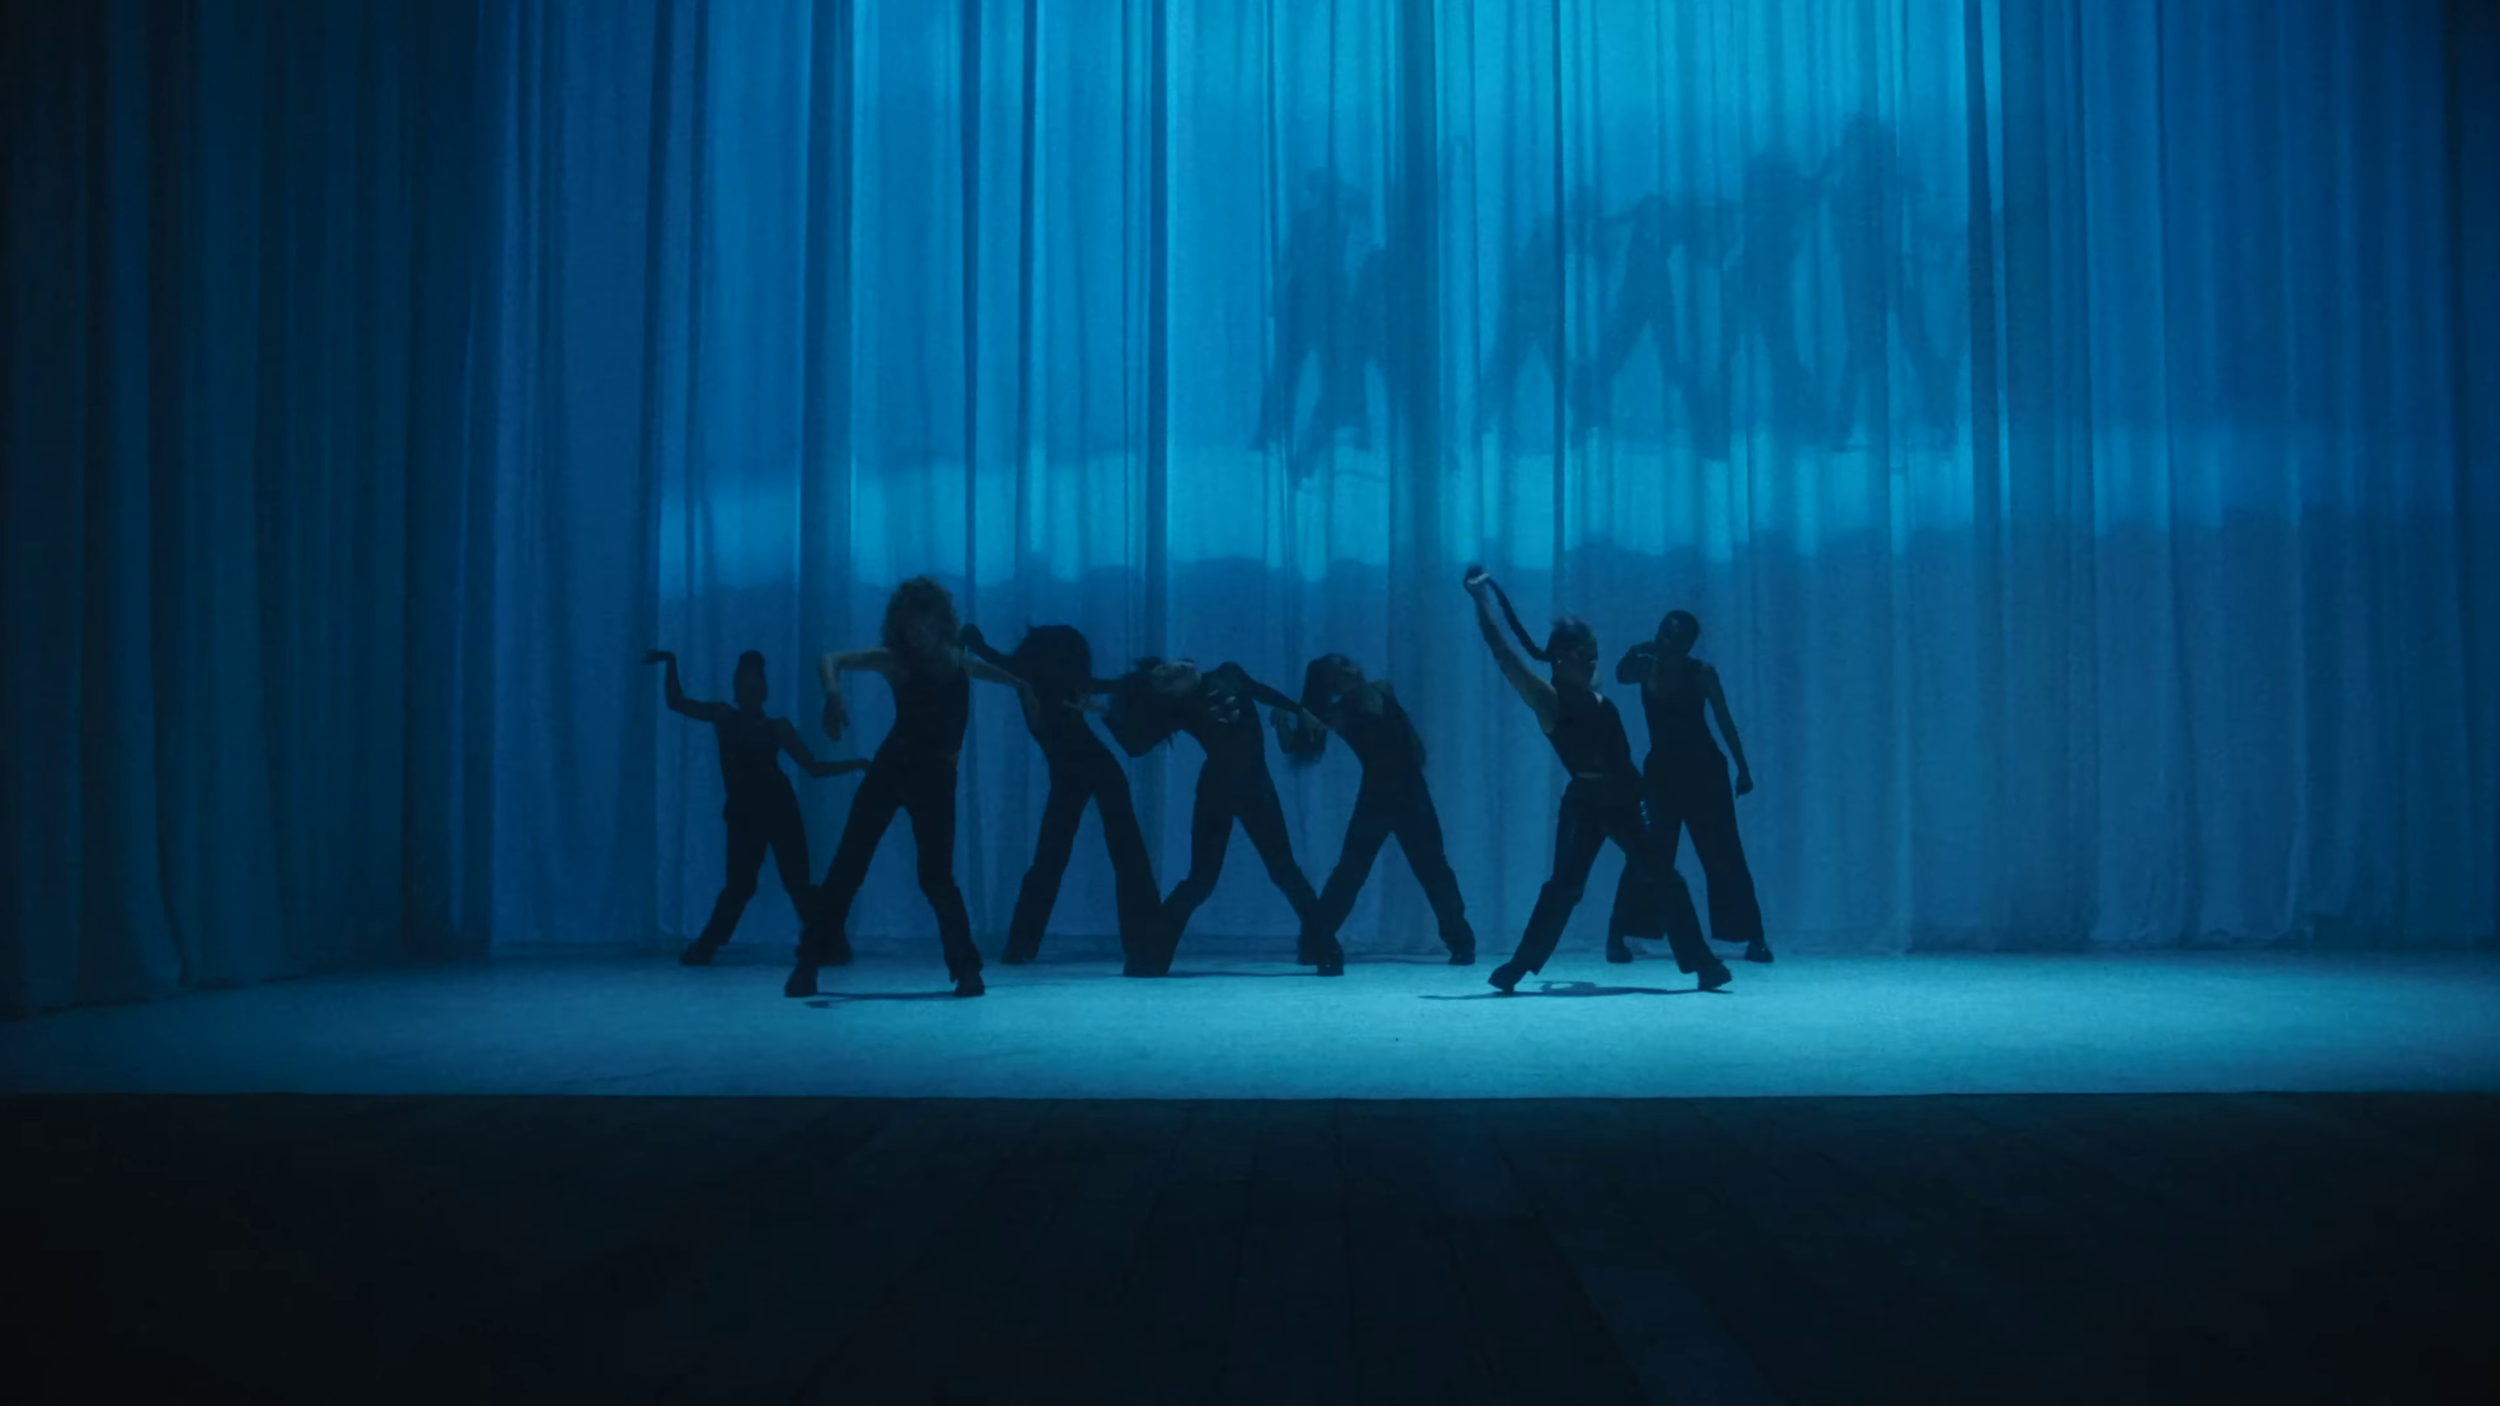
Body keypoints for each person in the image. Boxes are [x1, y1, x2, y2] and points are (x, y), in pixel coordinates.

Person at [1461, 567, 1730, 994]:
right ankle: (1518, 967)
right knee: (1564, 888)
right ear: (1562, 659)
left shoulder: (1590, 686)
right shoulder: (1547, 699)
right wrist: (1481, 601)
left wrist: (1575, 631)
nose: (1592, 662)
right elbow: (1503, 652)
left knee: (1665, 879)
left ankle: (1704, 964)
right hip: (1586, 802)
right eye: (1584, 655)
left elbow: (1575, 655)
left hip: (1626, 797)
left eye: (1593, 654)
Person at [786, 577, 1037, 1000]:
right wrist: (832, 694)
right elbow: (831, 659)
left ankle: (967, 969)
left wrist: (1024, 688)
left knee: (936, 876)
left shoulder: (957, 660)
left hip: (935, 779)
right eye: (909, 627)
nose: (917, 634)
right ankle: (808, 964)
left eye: (924, 625)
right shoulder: (896, 661)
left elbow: (996, 675)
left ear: (940, 623)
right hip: (892, 770)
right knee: (849, 866)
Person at [959, 622, 1164, 971]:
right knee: (1112, 854)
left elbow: (993, 656)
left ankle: (1024, 944)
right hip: (1083, 772)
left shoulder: (1041, 677)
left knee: (1073, 856)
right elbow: (992, 657)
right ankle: (1141, 940)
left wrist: (972, 640)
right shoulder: (1043, 678)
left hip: (1084, 772)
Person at [1103, 657, 1326, 974]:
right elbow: (1135, 747)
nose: (1174, 672)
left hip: (1255, 789)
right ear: (1168, 694)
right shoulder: (1178, 709)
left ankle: (1324, 950)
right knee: (1202, 879)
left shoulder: (1230, 673)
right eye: (1166, 680)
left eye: (1167, 667)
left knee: (1284, 871)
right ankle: (1147, 959)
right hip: (1216, 792)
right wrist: (1107, 715)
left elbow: (1262, 691)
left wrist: (1301, 711)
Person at [644, 649, 865, 966]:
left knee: (789, 884)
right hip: (748, 813)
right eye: (745, 682)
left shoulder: (767, 725)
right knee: (748, 885)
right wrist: (671, 662)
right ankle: (709, 946)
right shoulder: (730, 718)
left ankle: (828, 943)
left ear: (762, 690)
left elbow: (814, 767)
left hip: (775, 811)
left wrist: (857, 764)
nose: (750, 689)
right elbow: (676, 702)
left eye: (754, 683)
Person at [1278, 653, 1476, 965]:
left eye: (1345, 661)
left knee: (1433, 870)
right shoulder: (1339, 713)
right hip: (1378, 796)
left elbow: (1407, 736)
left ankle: (1461, 943)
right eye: (1339, 668)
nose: (1350, 666)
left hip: (1410, 793)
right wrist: (1282, 723)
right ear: (1333, 683)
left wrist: (1417, 755)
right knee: (1352, 873)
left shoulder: (1383, 689)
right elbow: (1297, 746)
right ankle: (1314, 941)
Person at [1614, 611, 1771, 963]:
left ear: (1688, 642)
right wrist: (1635, 649)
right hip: (1662, 772)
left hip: (1704, 772)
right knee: (1647, 851)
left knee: (1723, 852)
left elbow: (1723, 718)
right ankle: (1621, 933)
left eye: (1674, 636)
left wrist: (1743, 768)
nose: (1665, 640)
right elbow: (1621, 675)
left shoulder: (1701, 673)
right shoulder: (1646, 667)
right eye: (1663, 632)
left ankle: (1752, 936)